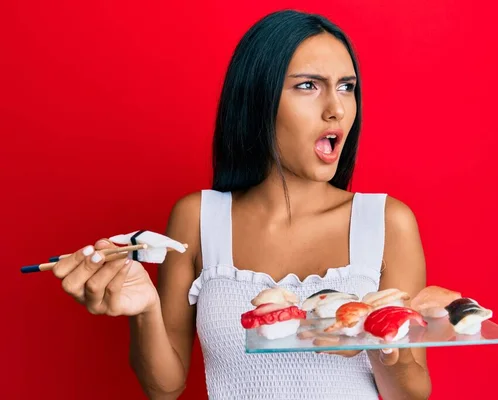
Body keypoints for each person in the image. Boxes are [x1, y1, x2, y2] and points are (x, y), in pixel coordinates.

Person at [52, 9, 432, 400]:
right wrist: (146, 309)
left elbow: (411, 393)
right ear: (258, 99)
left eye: (347, 87)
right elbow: (164, 388)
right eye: (308, 86)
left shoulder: (387, 221)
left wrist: (385, 340)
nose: (336, 108)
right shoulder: (198, 217)